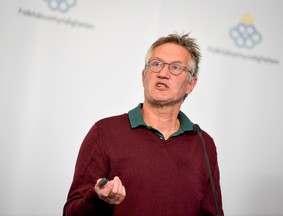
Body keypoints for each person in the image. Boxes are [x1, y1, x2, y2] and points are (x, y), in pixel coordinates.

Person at [63, 33, 224, 216]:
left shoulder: (203, 144)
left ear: (191, 84)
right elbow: (71, 213)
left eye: (176, 68)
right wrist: (97, 199)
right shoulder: (105, 132)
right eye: (156, 64)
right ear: (143, 76)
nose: (163, 73)